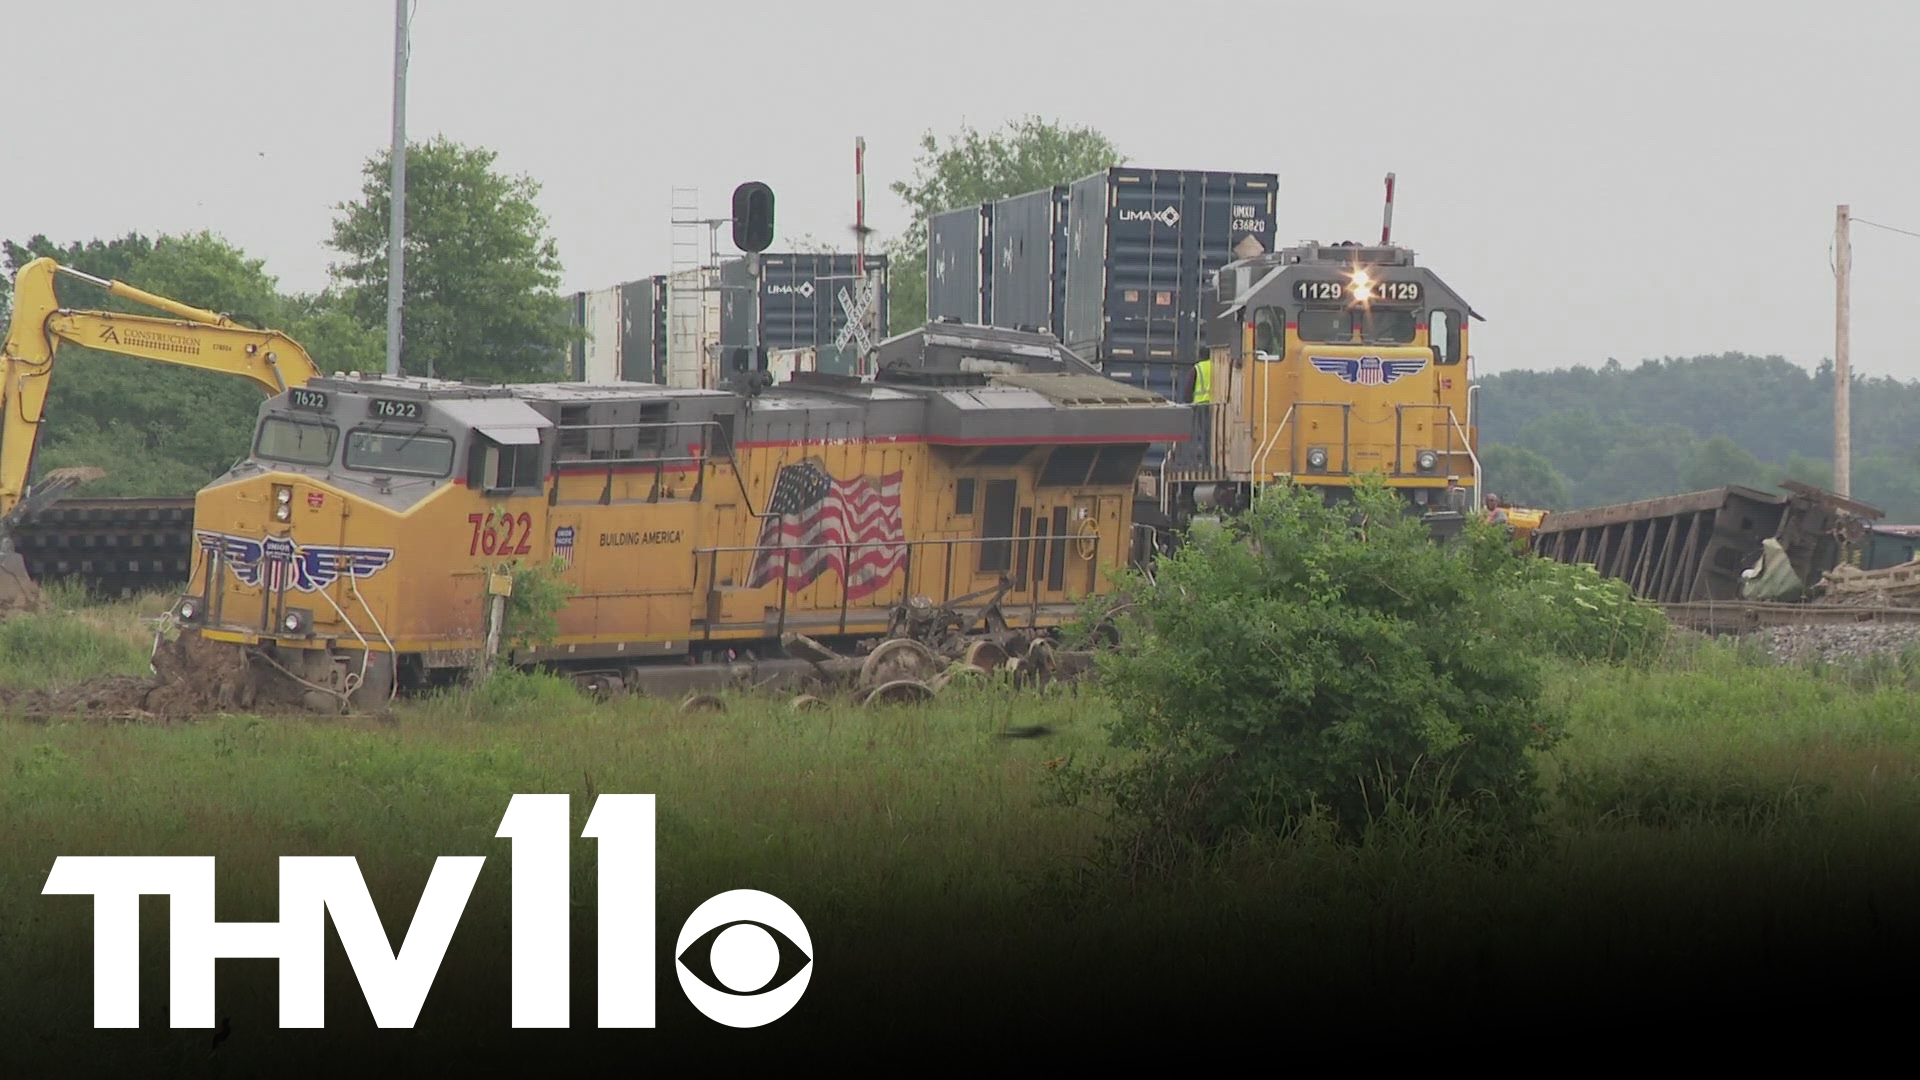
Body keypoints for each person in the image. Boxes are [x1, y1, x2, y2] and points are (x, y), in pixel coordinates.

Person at [1189, 351, 1213, 468]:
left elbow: (1188, 388)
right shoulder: (1217, 366)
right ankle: (1211, 460)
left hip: (1200, 406)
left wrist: (1187, 404)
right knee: (1212, 435)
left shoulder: (1197, 368)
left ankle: (1204, 462)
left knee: (1203, 435)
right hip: (1215, 406)